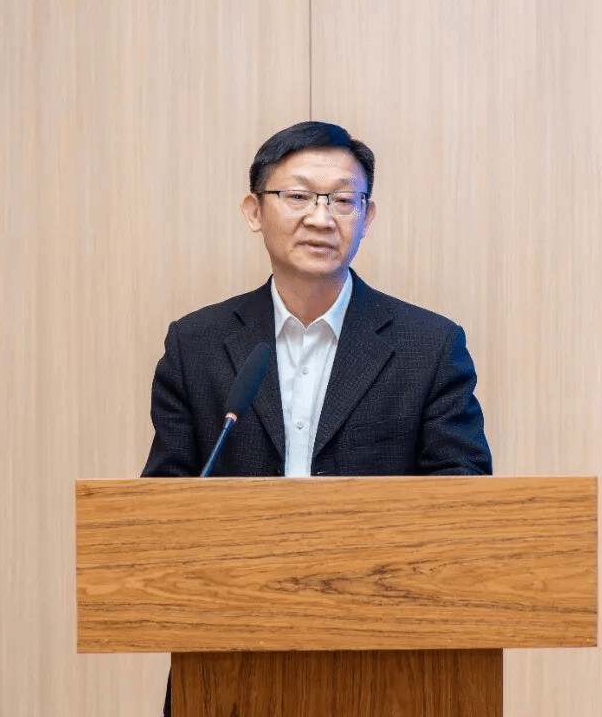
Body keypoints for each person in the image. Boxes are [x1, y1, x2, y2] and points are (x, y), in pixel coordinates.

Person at [142, 121, 492, 480]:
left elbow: (463, 489)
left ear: (366, 217)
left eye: (343, 200)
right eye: (298, 197)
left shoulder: (431, 347)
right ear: (254, 211)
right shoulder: (195, 346)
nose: (322, 219)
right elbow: (163, 497)